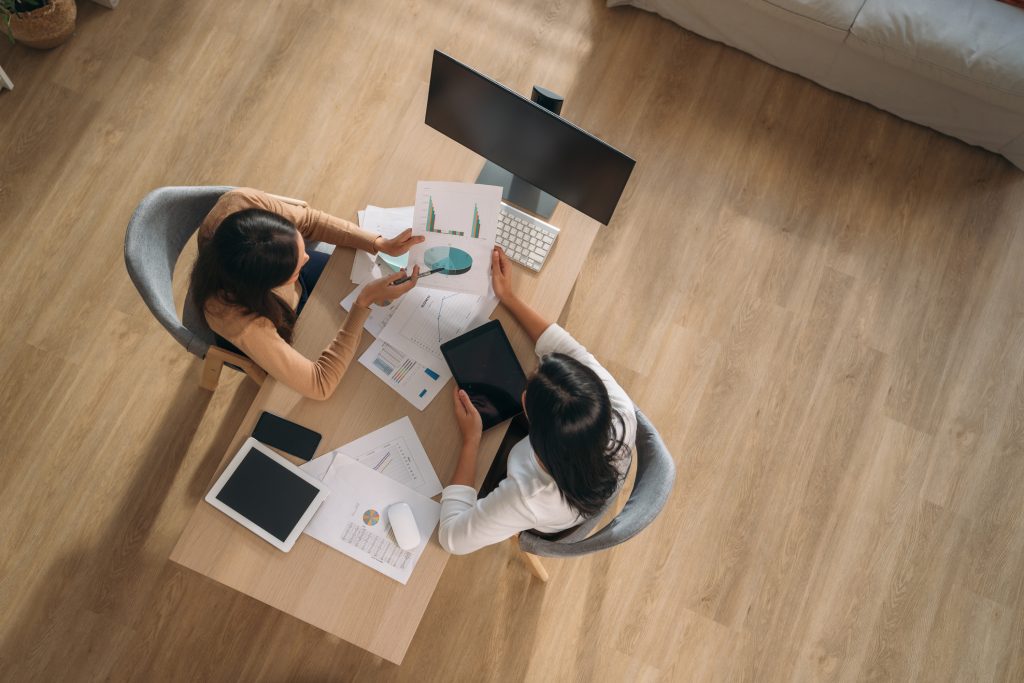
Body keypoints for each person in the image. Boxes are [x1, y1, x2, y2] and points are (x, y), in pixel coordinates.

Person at [438, 246, 637, 555]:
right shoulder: (619, 409)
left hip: (546, 512)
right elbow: (563, 347)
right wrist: (509, 297)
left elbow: (452, 538)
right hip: (581, 490)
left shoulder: (527, 496)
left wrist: (471, 440)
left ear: (534, 425)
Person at [189, 187, 421, 400]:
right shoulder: (242, 322)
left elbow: (310, 221)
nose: (307, 255)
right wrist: (363, 303)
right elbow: (320, 385)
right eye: (297, 264)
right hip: (274, 323)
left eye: (301, 248)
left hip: (286, 294)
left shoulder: (242, 204)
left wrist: (378, 243)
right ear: (268, 285)